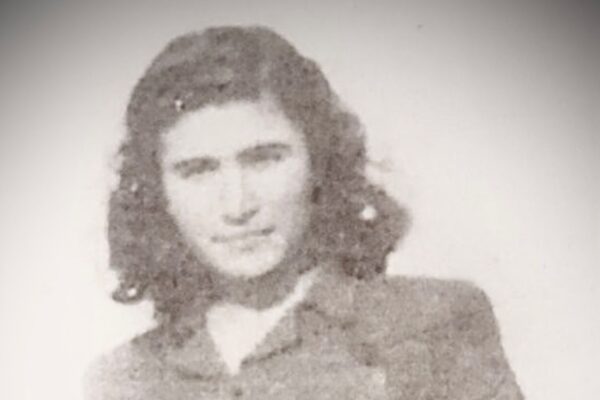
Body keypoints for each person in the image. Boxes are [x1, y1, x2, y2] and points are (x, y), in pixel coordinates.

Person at [86, 26, 524, 400]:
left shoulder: (431, 323)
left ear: (319, 162)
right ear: (157, 191)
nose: (237, 205)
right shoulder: (125, 379)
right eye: (197, 171)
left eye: (264, 159)